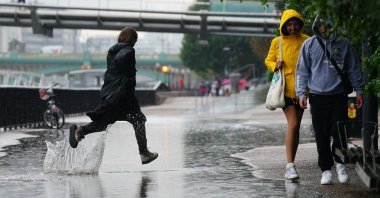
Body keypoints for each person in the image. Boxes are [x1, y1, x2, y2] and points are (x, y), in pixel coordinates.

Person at [69, 27, 158, 165]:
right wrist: (128, 72)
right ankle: (144, 153)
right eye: (135, 40)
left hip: (113, 94)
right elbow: (123, 60)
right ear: (132, 39)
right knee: (138, 120)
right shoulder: (128, 50)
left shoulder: (112, 51)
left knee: (105, 123)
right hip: (123, 95)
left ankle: (80, 130)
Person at [296, 14, 364, 185]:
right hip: (317, 97)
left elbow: (353, 68)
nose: (324, 29)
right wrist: (301, 93)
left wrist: (359, 91)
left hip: (339, 96)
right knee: (322, 135)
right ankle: (326, 169)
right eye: (321, 26)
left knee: (339, 132)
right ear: (317, 27)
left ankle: (340, 164)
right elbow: (302, 71)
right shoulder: (309, 44)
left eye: (327, 25)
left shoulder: (344, 44)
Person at [265, 9, 309, 181]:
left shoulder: (307, 41)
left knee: (296, 127)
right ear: (284, 25)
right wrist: (275, 65)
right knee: (293, 123)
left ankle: (291, 163)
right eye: (289, 24)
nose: (292, 27)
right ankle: (289, 166)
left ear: (299, 24)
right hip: (285, 90)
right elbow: (268, 60)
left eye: (295, 24)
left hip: (303, 90)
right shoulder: (278, 42)